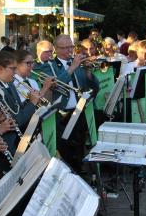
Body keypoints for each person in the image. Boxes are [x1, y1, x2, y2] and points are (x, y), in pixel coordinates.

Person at [34, 34, 98, 172]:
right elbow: (54, 85)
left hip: (80, 111)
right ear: (56, 49)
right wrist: (72, 68)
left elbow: (94, 87)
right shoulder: (48, 66)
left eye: (71, 46)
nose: (70, 50)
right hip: (62, 115)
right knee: (67, 150)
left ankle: (80, 173)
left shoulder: (78, 65)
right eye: (65, 48)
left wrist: (88, 72)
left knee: (79, 146)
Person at [0, 50, 41, 163]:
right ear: (0, 69)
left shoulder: (9, 84)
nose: (15, 73)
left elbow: (17, 110)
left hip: (18, 139)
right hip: (8, 144)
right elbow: (15, 120)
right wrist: (32, 103)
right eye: (12, 68)